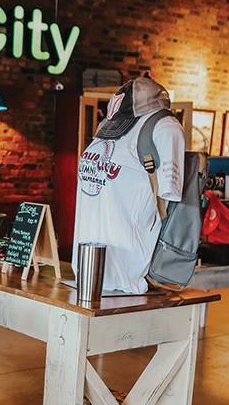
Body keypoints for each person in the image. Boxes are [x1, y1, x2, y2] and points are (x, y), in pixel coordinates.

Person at [72, 76, 185, 294]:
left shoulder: (165, 127)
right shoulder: (112, 129)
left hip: (125, 279)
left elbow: (169, 198)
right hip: (85, 272)